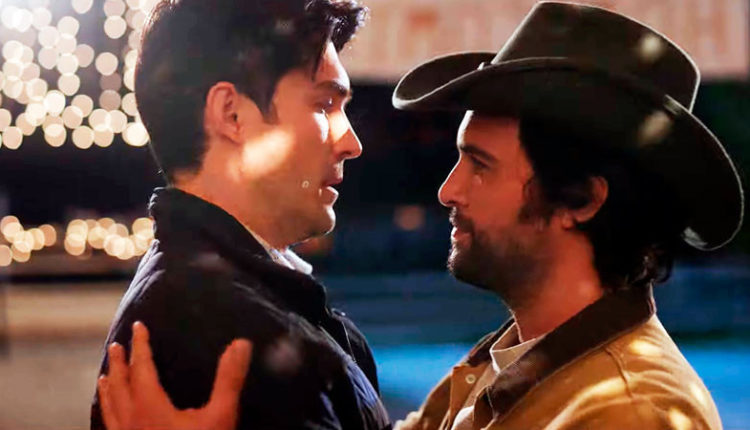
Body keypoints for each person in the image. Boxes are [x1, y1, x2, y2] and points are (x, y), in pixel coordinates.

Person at [99, 2, 744, 429]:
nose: (446, 190)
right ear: (230, 115)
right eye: (325, 104)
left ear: (580, 199)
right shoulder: (501, 368)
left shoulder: (633, 411)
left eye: (480, 165)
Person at [90, 0, 391, 429]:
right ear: (232, 114)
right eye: (324, 104)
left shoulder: (216, 292)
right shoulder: (230, 336)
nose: (351, 143)